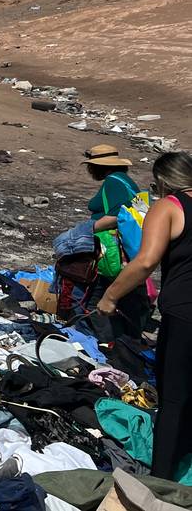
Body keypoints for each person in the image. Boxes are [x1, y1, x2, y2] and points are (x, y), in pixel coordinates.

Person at [97, 152, 192, 480]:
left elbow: (146, 261)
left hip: (183, 312)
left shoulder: (168, 206)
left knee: (174, 400)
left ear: (163, 181)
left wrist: (110, 296)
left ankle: (160, 483)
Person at [80, 145, 149, 335]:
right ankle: (127, 337)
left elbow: (116, 215)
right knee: (126, 295)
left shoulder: (112, 182)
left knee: (96, 296)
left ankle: (107, 342)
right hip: (128, 248)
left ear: (99, 166)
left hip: (112, 249)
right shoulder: (126, 181)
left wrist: (84, 230)